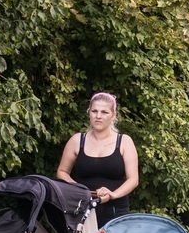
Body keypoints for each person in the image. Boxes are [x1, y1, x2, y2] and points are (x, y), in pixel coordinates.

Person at [56, 92, 140, 224]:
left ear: (113, 115)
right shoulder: (77, 140)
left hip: (115, 211)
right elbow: (62, 172)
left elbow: (133, 179)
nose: (98, 116)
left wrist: (113, 194)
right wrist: (79, 190)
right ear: (89, 113)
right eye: (94, 111)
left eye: (104, 112)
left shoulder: (124, 141)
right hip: (82, 209)